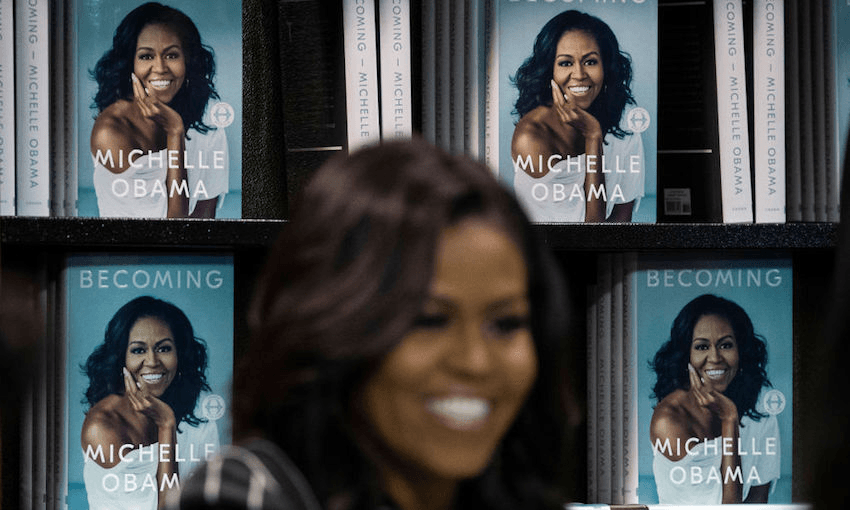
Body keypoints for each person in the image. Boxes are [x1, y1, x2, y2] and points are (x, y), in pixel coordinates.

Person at [170, 138, 577, 510]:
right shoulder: (243, 493)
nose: (476, 362)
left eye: (506, 324)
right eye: (430, 320)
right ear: (332, 329)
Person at [89, 2, 228, 218]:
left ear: (188, 60)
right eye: (146, 56)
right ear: (129, 63)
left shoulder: (207, 123)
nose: (161, 68)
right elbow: (171, 229)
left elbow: (204, 222)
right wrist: (175, 132)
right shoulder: (111, 131)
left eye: (172, 55)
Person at [80, 295, 220, 510]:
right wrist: (166, 425)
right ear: (121, 357)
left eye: (164, 349)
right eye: (138, 350)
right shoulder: (102, 427)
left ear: (180, 353)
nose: (153, 362)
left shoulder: (198, 408)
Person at [510, 9, 644, 222]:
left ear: (606, 66)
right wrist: (593, 136)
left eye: (590, 62)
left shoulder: (625, 126)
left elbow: (621, 221)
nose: (580, 75)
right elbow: (589, 232)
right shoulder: (532, 137)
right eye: (566, 63)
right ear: (549, 70)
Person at [648, 294, 779, 504]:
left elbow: (757, 502)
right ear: (686, 354)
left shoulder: (760, 409)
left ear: (741, 350)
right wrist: (729, 420)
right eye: (702, 347)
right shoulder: (669, 420)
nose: (715, 358)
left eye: (726, 345)